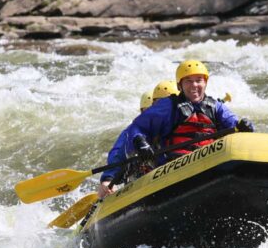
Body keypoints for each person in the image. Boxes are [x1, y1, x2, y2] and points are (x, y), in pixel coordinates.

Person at [125, 60, 254, 166]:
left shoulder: (216, 107)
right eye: (188, 81)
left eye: (199, 80)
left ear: (205, 83)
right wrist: (139, 141)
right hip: (175, 165)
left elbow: (234, 124)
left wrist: (245, 126)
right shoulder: (168, 105)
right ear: (180, 85)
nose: (194, 85)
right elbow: (137, 127)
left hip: (211, 162)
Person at [97, 82, 180, 198]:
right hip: (144, 180)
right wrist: (108, 178)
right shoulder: (134, 132)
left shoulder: (181, 121)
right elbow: (118, 154)